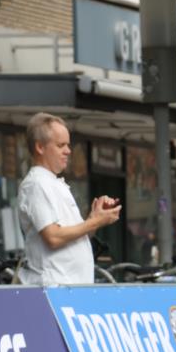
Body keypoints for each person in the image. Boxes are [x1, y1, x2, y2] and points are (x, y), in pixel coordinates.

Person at [16, 113, 120, 285]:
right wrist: (94, 222)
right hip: (54, 288)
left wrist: (95, 218)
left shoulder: (52, 182)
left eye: (68, 145)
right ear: (40, 147)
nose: (68, 151)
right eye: (60, 145)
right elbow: (53, 237)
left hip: (70, 287)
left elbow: (72, 234)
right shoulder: (36, 184)